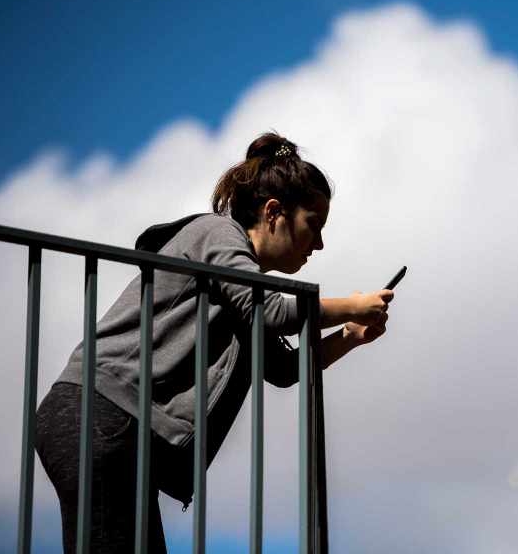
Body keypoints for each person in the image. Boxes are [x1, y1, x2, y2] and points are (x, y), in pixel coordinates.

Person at [34, 132, 394, 553]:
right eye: (313, 224)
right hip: (100, 413)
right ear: (274, 211)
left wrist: (349, 338)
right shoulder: (218, 233)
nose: (319, 244)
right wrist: (351, 305)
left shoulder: (244, 292)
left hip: (120, 429)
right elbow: (273, 312)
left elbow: (280, 369)